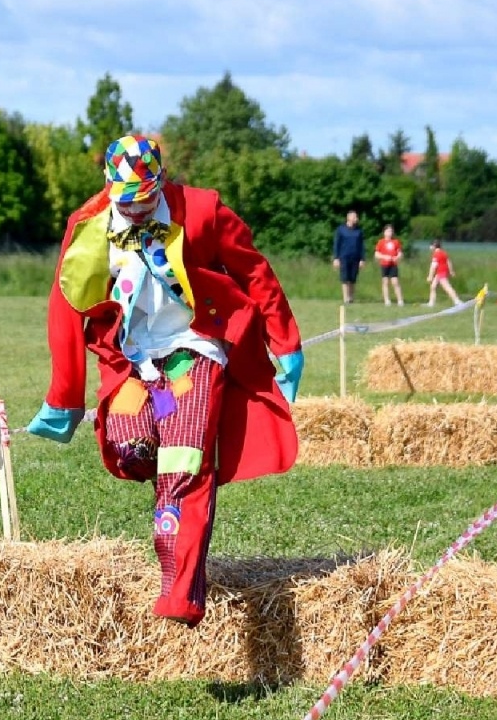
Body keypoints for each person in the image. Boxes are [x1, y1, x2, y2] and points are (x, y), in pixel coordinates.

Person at [25, 134, 304, 629]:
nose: (134, 210)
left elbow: (256, 272)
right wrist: (63, 396)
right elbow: (65, 303)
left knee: (185, 459)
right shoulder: (88, 225)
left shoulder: (201, 211)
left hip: (195, 346)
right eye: (124, 201)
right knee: (132, 448)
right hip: (131, 359)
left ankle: (181, 591)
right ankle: (168, 493)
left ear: (161, 182)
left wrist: (285, 343)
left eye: (143, 199)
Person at [331, 210, 364, 305]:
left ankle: (351, 297)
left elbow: (361, 245)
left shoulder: (359, 231)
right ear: (348, 218)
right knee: (345, 278)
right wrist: (336, 258)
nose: (356, 219)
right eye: (354, 217)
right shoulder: (341, 229)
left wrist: (362, 259)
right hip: (344, 257)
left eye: (356, 217)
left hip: (356, 257)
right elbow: (337, 244)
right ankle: (345, 298)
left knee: (353, 278)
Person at [374, 223, 403, 306]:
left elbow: (400, 253)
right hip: (384, 264)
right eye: (388, 231)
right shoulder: (381, 242)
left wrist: (397, 257)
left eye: (391, 231)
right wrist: (384, 257)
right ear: (384, 232)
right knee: (385, 282)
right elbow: (376, 254)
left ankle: (400, 300)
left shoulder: (396, 242)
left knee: (395, 282)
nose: (390, 233)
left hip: (393, 264)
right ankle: (387, 300)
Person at [426, 239, 461, 307]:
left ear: (434, 246)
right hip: (442, 272)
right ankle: (431, 302)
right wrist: (451, 271)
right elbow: (449, 262)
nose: (429, 247)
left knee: (447, 287)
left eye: (430, 246)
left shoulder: (436, 254)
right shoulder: (443, 253)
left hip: (440, 273)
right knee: (433, 286)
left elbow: (433, 266)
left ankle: (457, 301)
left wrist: (430, 276)